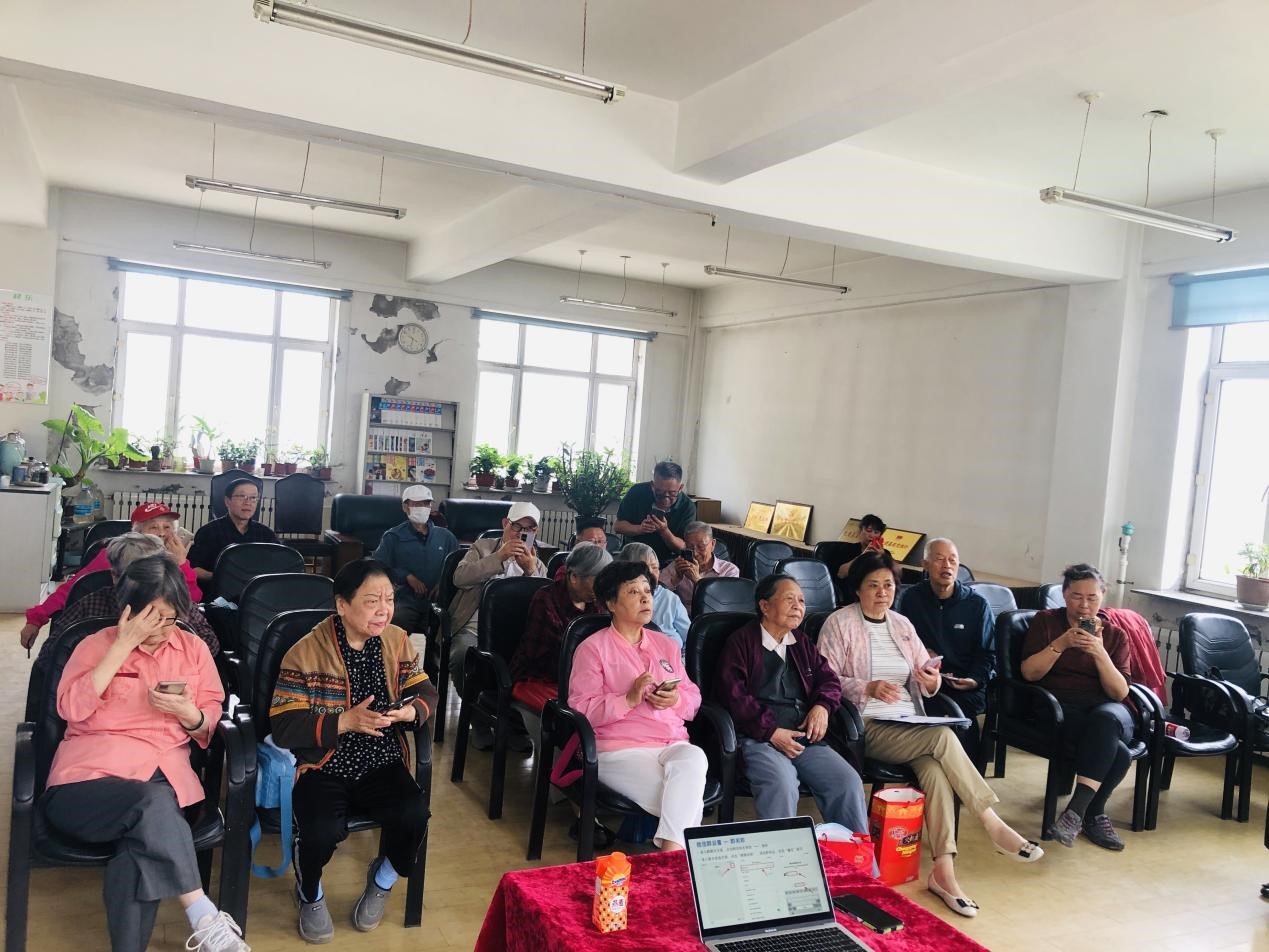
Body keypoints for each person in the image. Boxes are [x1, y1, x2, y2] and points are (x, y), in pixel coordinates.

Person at [818, 548, 1042, 918]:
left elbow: (928, 674)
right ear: (857, 589)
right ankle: (991, 822)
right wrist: (867, 687)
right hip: (865, 724)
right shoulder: (839, 623)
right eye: (873, 585)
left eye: (888, 585)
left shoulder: (902, 625)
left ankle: (944, 872)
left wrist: (932, 680)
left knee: (935, 772)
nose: (882, 592)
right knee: (942, 737)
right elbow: (824, 680)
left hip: (909, 723)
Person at [40, 555, 248, 952]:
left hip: (166, 781)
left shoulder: (192, 649)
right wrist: (121, 646)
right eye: (151, 618)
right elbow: (70, 709)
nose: (162, 629)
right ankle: (203, 915)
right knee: (152, 804)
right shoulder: (93, 646)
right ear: (127, 610)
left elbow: (210, 720)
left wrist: (188, 713)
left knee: (139, 849)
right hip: (85, 785)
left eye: (170, 619)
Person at [270, 559, 437, 943]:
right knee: (320, 832)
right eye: (372, 601)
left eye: (389, 600)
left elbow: (425, 691)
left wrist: (411, 711)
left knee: (414, 815)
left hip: (381, 759)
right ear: (342, 605)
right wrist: (344, 722)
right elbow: (284, 725)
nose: (384, 610)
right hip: (324, 761)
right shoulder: (305, 652)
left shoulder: (396, 640)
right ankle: (309, 893)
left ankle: (382, 881)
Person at [715, 574, 871, 839]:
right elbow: (733, 697)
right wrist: (771, 732)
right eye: (789, 599)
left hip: (803, 736)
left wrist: (822, 706)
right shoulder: (741, 642)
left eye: (801, 601)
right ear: (765, 606)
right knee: (782, 783)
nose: (798, 606)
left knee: (846, 781)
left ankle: (856, 859)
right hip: (758, 738)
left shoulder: (800, 642)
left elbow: (829, 681)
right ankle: (784, 860)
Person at [568, 560, 709, 851]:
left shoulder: (666, 645)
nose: (645, 598)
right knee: (684, 798)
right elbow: (581, 710)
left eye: (647, 590)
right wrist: (627, 700)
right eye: (633, 592)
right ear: (611, 603)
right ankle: (672, 860)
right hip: (619, 748)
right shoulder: (592, 649)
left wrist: (676, 699)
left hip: (671, 742)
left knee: (694, 757)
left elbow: (692, 697)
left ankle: (669, 861)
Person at [1020, 563, 1133, 852]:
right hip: (1060, 707)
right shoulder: (1046, 622)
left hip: (1107, 710)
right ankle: (1092, 814)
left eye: (1092, 597)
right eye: (1076, 597)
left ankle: (1075, 812)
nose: (1084, 605)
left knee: (1106, 720)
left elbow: (1119, 692)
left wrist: (1099, 652)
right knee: (1118, 752)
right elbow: (1029, 674)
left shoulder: (1116, 635)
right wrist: (1060, 644)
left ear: (1103, 596)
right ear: (1064, 595)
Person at [19, 501, 202, 652]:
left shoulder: (174, 559)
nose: (161, 533)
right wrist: (36, 618)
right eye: (153, 527)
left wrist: (181, 564)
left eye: (167, 527)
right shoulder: (115, 556)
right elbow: (73, 588)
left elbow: (192, 600)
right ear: (137, 533)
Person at [447, 501, 545, 750]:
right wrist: (498, 557)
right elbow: (460, 578)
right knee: (461, 656)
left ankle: (514, 725)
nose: (521, 535)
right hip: (475, 626)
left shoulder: (536, 561)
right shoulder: (482, 547)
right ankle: (478, 722)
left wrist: (531, 573)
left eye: (529, 530)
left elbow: (547, 602)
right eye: (517, 527)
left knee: (539, 663)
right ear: (505, 524)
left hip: (518, 635)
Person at [41, 533, 219, 668]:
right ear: (115, 576)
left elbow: (210, 645)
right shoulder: (89, 605)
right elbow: (50, 655)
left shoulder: (177, 604)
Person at [896, 537, 994, 761]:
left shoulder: (977, 605)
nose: (947, 565)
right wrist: (921, 652)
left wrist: (974, 680)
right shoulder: (910, 599)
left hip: (965, 684)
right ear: (925, 564)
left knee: (961, 715)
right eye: (939, 559)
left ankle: (967, 776)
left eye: (952, 560)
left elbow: (988, 653)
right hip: (923, 679)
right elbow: (900, 640)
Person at [510, 543, 612, 744]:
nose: (603, 587)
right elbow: (539, 657)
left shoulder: (599, 604)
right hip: (540, 678)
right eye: (597, 580)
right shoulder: (546, 599)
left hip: (580, 680)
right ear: (574, 577)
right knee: (572, 717)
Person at [372, 485, 459, 633]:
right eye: (417, 504)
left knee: (452, 627)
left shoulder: (446, 537)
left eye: (426, 503)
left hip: (439, 602)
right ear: (405, 507)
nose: (423, 507)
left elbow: (458, 566)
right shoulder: (393, 536)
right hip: (405, 600)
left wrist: (443, 583)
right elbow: (379, 567)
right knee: (395, 623)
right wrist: (406, 576)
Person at [187, 478, 278, 586]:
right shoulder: (208, 532)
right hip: (219, 592)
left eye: (253, 498)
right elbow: (192, 568)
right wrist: (220, 578)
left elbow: (280, 564)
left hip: (257, 591)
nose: (248, 502)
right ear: (227, 501)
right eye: (242, 496)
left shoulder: (265, 534)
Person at [613, 460, 696, 564]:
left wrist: (664, 531)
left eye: (672, 493)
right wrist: (640, 529)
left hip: (667, 561)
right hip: (632, 557)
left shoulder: (687, 507)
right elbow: (618, 526)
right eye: (659, 492)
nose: (666, 498)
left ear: (680, 488)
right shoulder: (637, 492)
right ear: (652, 485)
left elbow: (684, 547)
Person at [617, 542, 690, 649]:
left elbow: (689, 637)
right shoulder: (618, 599)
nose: (651, 573)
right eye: (645, 568)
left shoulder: (670, 599)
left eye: (655, 567)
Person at [658, 521, 740, 612]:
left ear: (713, 544)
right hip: (683, 616)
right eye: (690, 547)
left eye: (701, 547)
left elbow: (726, 603)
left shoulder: (729, 570)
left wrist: (697, 580)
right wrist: (675, 580)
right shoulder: (679, 565)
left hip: (714, 617)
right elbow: (656, 592)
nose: (695, 553)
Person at [832, 513, 887, 592]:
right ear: (860, 531)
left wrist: (884, 558)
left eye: (876, 532)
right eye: (869, 531)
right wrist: (862, 556)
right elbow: (841, 574)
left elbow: (896, 576)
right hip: (853, 591)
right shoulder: (847, 549)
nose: (872, 535)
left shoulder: (884, 553)